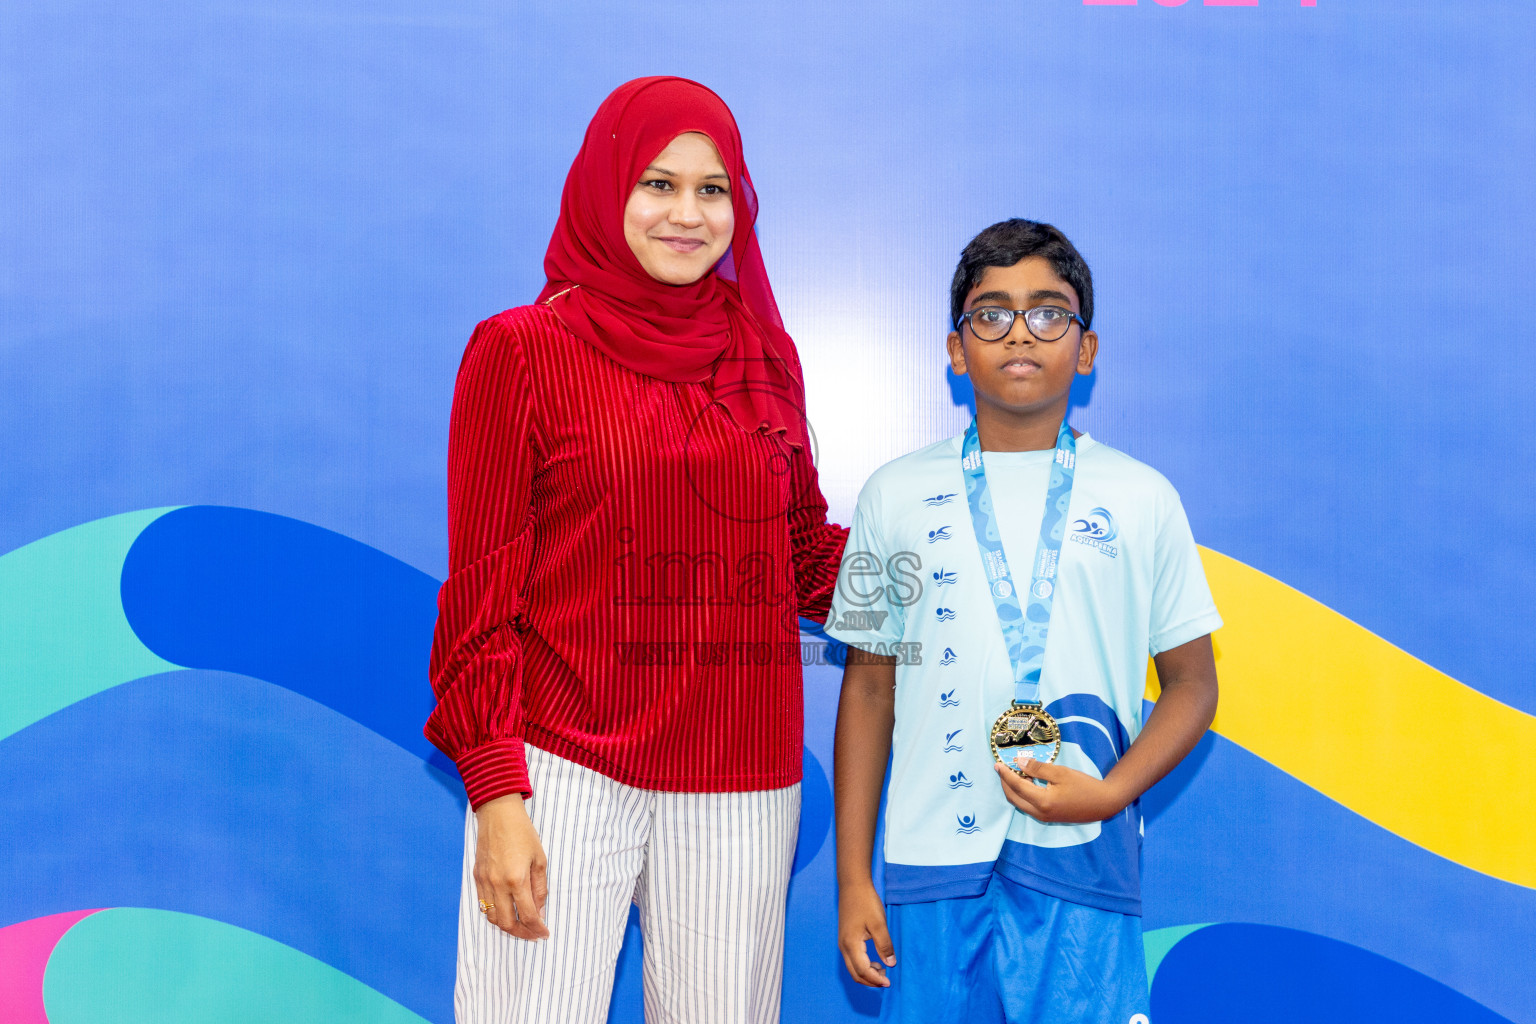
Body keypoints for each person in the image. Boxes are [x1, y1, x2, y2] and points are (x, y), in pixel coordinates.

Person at [424, 77, 846, 1024]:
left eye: (713, 190)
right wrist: (497, 793)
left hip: (742, 779)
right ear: (605, 188)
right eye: (658, 183)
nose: (687, 215)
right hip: (562, 771)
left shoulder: (763, 357)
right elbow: (482, 596)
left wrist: (958, 553)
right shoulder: (520, 350)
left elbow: (806, 561)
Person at [826, 219, 1221, 1022]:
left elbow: (1193, 686)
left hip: (1083, 858)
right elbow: (868, 693)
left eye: (1049, 313)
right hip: (930, 864)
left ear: (1086, 349)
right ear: (953, 347)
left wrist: (1109, 792)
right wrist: (853, 877)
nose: (1019, 333)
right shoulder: (888, 494)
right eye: (991, 312)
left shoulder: (1144, 498)